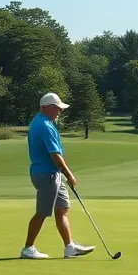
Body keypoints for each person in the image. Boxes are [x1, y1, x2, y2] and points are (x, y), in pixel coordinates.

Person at [21, 92, 95, 260]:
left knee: (62, 209)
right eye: (57, 108)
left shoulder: (44, 122)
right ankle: (28, 248)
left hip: (53, 173)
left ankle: (69, 247)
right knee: (42, 212)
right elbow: (55, 155)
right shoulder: (44, 125)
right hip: (46, 174)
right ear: (46, 107)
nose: (60, 111)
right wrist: (69, 174)